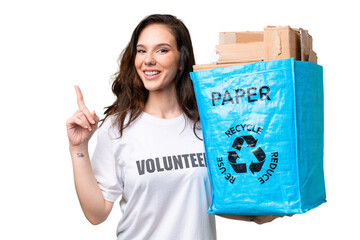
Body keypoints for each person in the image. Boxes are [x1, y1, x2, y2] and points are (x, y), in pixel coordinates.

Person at [66, 14, 282, 240]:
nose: (148, 60)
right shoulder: (118, 127)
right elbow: (97, 213)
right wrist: (78, 147)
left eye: (162, 50)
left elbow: (212, 200)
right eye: (141, 50)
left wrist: (259, 214)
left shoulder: (209, 124)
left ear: (181, 60)